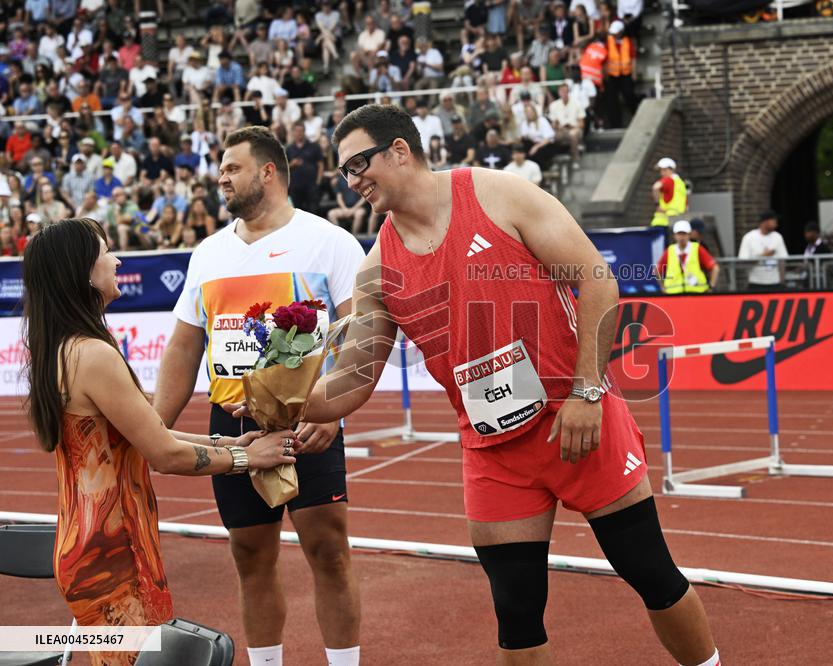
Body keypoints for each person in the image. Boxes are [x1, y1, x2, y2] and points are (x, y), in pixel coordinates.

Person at [293, 104, 721, 666]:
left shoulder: (498, 195)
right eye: (344, 172)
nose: (352, 182)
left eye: (358, 164)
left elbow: (598, 283)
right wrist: (277, 394)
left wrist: (586, 392)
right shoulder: (378, 271)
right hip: (494, 450)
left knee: (650, 572)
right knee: (516, 616)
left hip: (579, 421)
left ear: (400, 151)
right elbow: (354, 380)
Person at [21, 217, 297, 666]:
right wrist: (247, 457)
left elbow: (146, 430)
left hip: (91, 541)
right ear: (83, 271)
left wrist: (227, 443)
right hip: (112, 551)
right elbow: (164, 454)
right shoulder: (92, 355)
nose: (117, 260)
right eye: (106, 251)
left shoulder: (62, 348)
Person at [154, 126, 364, 666]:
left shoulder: (329, 241)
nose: (221, 177)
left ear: (268, 172)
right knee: (250, 556)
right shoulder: (208, 253)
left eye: (232, 168)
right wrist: (152, 429)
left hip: (307, 423)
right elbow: (183, 348)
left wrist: (334, 410)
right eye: (221, 169)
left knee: (329, 553)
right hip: (231, 428)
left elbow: (360, 334)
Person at [657, 220, 718, 294]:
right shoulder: (670, 250)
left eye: (684, 234)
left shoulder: (697, 248)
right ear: (674, 235)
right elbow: (657, 270)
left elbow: (715, 268)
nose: (682, 237)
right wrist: (663, 288)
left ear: (689, 235)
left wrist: (711, 286)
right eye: (679, 234)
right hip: (673, 293)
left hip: (697, 292)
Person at [738, 210, 788, 292]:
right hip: (755, 283)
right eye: (774, 220)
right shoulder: (749, 237)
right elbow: (742, 261)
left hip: (775, 283)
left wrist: (782, 281)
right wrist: (763, 256)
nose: (777, 224)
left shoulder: (777, 237)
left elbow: (783, 261)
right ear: (766, 222)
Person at [650, 157, 687, 227]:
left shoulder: (668, 180)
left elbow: (655, 187)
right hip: (678, 219)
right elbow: (686, 205)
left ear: (671, 170)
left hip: (664, 220)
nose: (661, 173)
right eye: (661, 170)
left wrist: (657, 205)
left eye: (664, 170)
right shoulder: (680, 183)